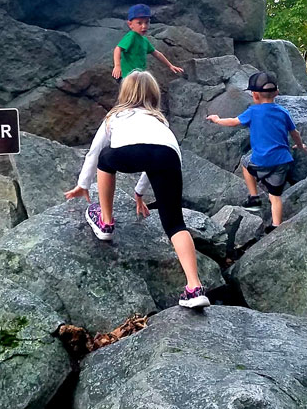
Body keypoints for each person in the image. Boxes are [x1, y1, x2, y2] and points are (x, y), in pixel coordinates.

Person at [64, 70, 210, 308]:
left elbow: (94, 151)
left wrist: (83, 183)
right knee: (175, 223)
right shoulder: (160, 121)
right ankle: (194, 288)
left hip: (127, 153)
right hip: (169, 157)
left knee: (105, 157)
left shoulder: (115, 116)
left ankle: (106, 221)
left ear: (125, 93)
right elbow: (154, 159)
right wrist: (140, 192)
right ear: (154, 95)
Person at [206, 71, 307, 227]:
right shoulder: (283, 112)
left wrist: (217, 120)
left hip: (260, 160)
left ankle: (254, 197)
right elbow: (295, 133)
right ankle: (276, 225)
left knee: (245, 164)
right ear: (277, 93)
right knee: (275, 197)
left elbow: (233, 122)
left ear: (254, 95)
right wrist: (300, 146)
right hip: (282, 161)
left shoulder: (253, 111)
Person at [112, 4, 184, 80]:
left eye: (146, 22)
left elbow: (157, 54)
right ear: (130, 24)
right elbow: (118, 49)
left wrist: (170, 65)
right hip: (127, 76)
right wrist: (117, 66)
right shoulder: (131, 36)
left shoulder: (144, 40)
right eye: (139, 23)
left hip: (139, 77)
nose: (144, 26)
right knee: (129, 91)